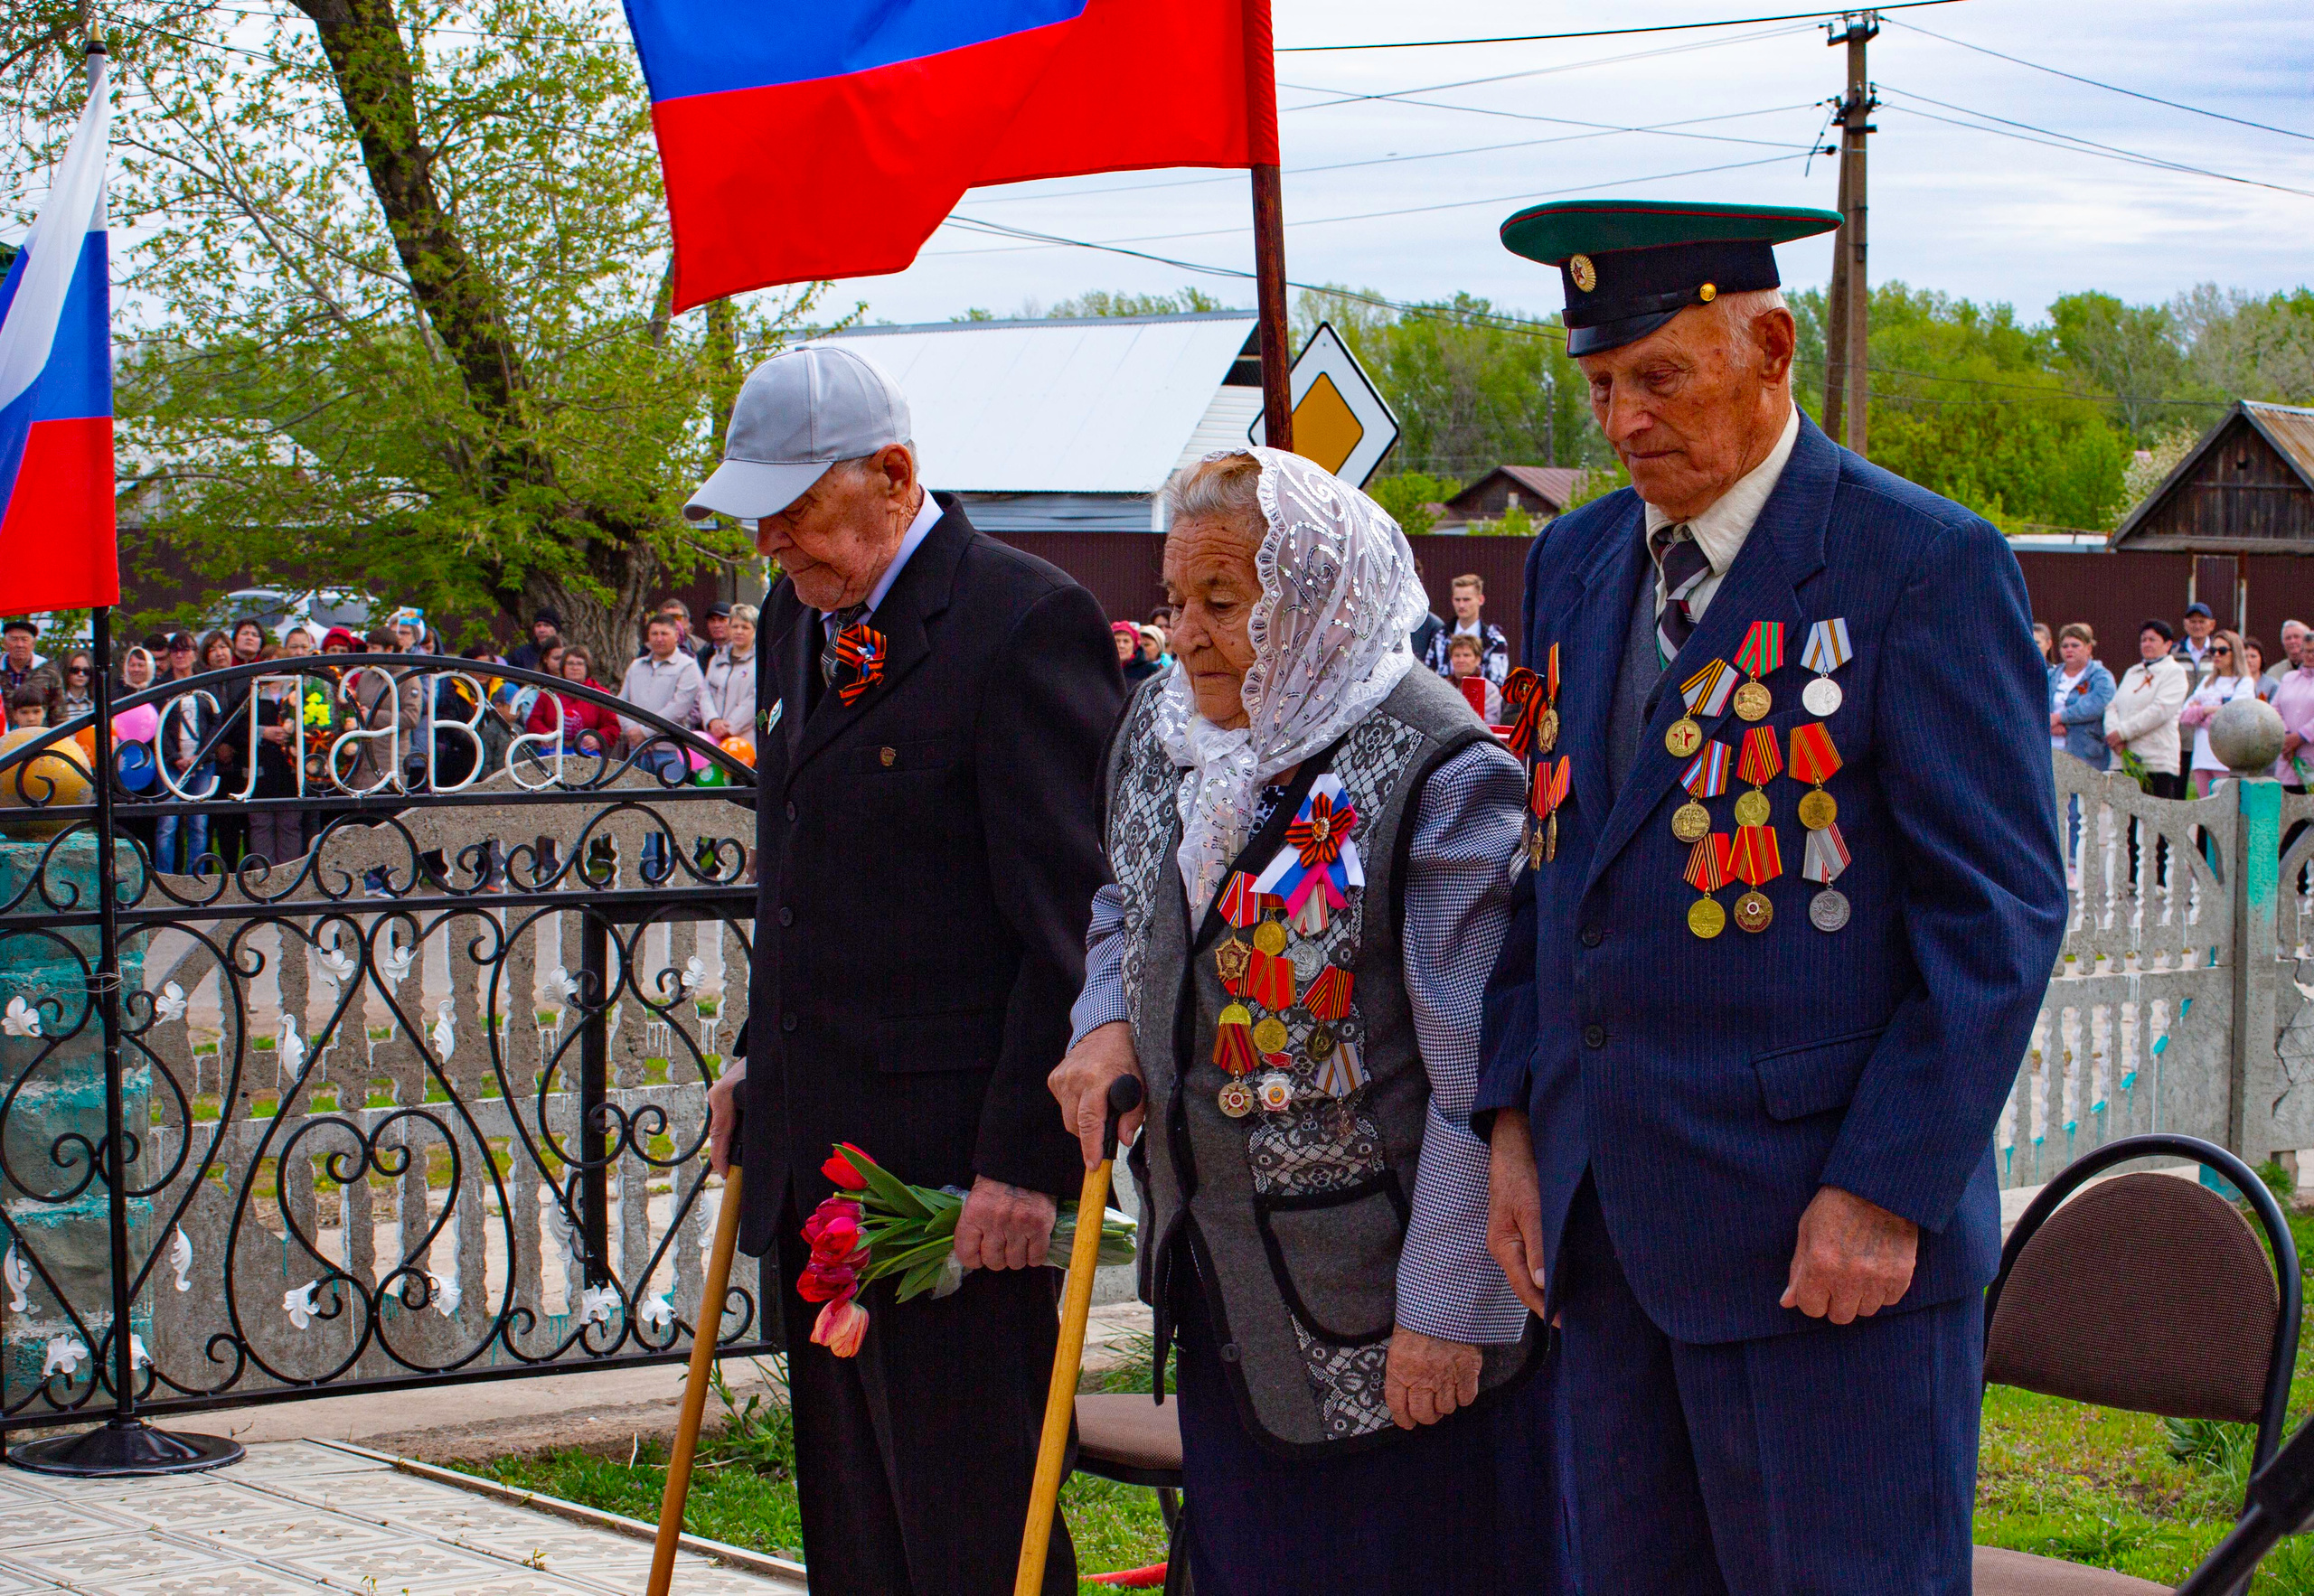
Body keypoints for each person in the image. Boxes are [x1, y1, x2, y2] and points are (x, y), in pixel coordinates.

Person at [1478, 198, 2067, 1595]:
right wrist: (1516, 1117)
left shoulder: (1919, 563)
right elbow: (1553, 860)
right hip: (1611, 1237)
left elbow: (1997, 914)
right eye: (1602, 385)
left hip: (1825, 1250)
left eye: (1661, 377)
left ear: (1773, 345)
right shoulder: (1572, 560)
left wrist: (1884, 1187)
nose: (1623, 423)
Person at [1048, 446, 1557, 1593]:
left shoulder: (1435, 767)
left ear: (1320, 597)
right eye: (1176, 600)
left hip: (1392, 1313)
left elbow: (1478, 1072)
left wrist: (1445, 1315)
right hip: (1227, 1290)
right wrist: (1101, 1024)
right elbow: (1128, 896)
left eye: (1224, 604)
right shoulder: (1163, 729)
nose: (1186, 634)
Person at [694, 342, 1120, 1596]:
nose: (773, 541)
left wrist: (1020, 1163)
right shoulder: (796, 615)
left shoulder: (1021, 618)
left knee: (976, 1523)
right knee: (858, 1528)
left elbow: (1065, 921)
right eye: (759, 518)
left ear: (892, 474)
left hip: (949, 1180)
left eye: (795, 509)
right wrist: (753, 1057)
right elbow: (803, 875)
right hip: (815, 1153)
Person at [2106, 620, 2191, 888]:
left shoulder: (2174, 673)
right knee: (2126, 819)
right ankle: (2130, 876)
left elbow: (2161, 710)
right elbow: (2113, 705)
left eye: (2153, 639)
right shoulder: (2133, 671)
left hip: (2156, 756)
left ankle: (2159, 877)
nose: (2147, 644)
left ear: (2167, 644)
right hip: (2125, 755)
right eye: (2143, 639)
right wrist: (2114, 734)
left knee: (2157, 816)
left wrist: (2125, 732)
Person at [615, 614, 704, 775]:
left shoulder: (688, 666)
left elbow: (679, 708)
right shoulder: (636, 666)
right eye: (654, 634)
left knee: (668, 800)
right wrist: (633, 732)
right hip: (637, 750)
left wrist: (645, 732)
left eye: (664, 633)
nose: (659, 638)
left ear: (676, 636)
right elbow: (621, 703)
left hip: (670, 750)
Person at [2180, 628, 2261, 797]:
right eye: (2212, 651)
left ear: (2235, 652)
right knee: (2204, 813)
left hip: (2226, 760)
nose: (2216, 655)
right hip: (2202, 757)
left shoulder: (2244, 682)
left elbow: (2233, 719)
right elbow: (2185, 716)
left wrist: (2200, 712)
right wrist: (2210, 710)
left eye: (2222, 650)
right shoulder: (2206, 682)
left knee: (2225, 814)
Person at [527, 645, 619, 755]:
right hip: (552, 752)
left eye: (579, 663)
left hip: (587, 753)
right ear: (563, 667)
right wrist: (544, 733)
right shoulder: (549, 693)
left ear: (587, 667)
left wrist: (597, 739)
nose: (574, 668)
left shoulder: (600, 694)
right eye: (570, 663)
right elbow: (533, 720)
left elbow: (612, 727)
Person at [2048, 623, 2116, 772]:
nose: (2069, 650)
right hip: (2050, 750)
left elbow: (2095, 705)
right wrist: (2048, 722)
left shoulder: (2101, 676)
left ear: (2088, 648)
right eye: (2065, 646)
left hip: (2085, 753)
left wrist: (2060, 718)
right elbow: (2036, 703)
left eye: (2075, 645)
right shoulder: (2051, 675)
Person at [1424, 573, 1509, 684]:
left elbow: (1498, 684)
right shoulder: (1440, 638)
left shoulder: (1495, 642)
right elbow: (1429, 678)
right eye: (1457, 600)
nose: (1461, 605)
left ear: (1481, 600)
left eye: (1467, 600)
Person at [701, 603, 759, 753]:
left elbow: (755, 698)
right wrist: (712, 721)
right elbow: (705, 692)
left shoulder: (760, 660)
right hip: (713, 739)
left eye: (745, 627)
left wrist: (730, 726)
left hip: (744, 741)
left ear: (754, 630)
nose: (739, 631)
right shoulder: (716, 658)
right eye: (735, 626)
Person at [2, 619, 61, 708]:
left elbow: (59, 712)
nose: (19, 645)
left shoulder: (48, 671)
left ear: (33, 644)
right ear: (4, 643)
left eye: (24, 640)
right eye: (14, 639)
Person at [1449, 632, 1504, 721]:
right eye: (1457, 655)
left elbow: (1490, 722)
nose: (1461, 660)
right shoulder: (1444, 686)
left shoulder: (1490, 690)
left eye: (1466, 655)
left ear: (1478, 659)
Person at [2174, 600, 2218, 684]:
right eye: (2193, 622)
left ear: (2212, 625)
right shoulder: (2174, 653)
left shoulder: (2219, 652)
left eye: (2202, 622)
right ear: (2185, 624)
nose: (2197, 626)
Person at [507, 609, 562, 673]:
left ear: (556, 630)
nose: (541, 630)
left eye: (546, 625)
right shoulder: (520, 655)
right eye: (538, 626)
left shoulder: (566, 655)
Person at [1113, 620, 1160, 686]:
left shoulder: (1150, 670)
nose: (1121, 646)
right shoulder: (1103, 670)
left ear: (1134, 645)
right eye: (1117, 641)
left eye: (1126, 641)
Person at [2266, 619, 2308, 692]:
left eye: (2296, 637)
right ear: (2283, 643)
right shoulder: (2274, 673)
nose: (2292, 641)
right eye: (2288, 638)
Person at [58, 652, 95, 721]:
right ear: (67, 671)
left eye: (86, 671)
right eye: (75, 670)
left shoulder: (97, 703)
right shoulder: (58, 703)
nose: (81, 674)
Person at [698, 600, 732, 671]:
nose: (716, 625)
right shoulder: (702, 656)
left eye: (722, 620)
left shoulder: (740, 653)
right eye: (712, 620)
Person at [2246, 637, 2274, 701]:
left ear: (2261, 659)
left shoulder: (2272, 685)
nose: (2249, 660)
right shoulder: (2233, 683)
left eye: (2253, 656)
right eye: (2245, 657)